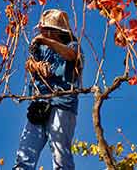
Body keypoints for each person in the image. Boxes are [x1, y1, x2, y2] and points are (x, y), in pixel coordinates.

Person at [13, 9, 84, 170]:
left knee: (60, 155)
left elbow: (71, 55)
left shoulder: (72, 46)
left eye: (44, 30)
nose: (41, 32)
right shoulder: (40, 50)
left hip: (62, 105)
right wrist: (34, 64)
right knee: (25, 153)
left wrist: (46, 42)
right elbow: (31, 65)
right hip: (40, 104)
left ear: (55, 31)